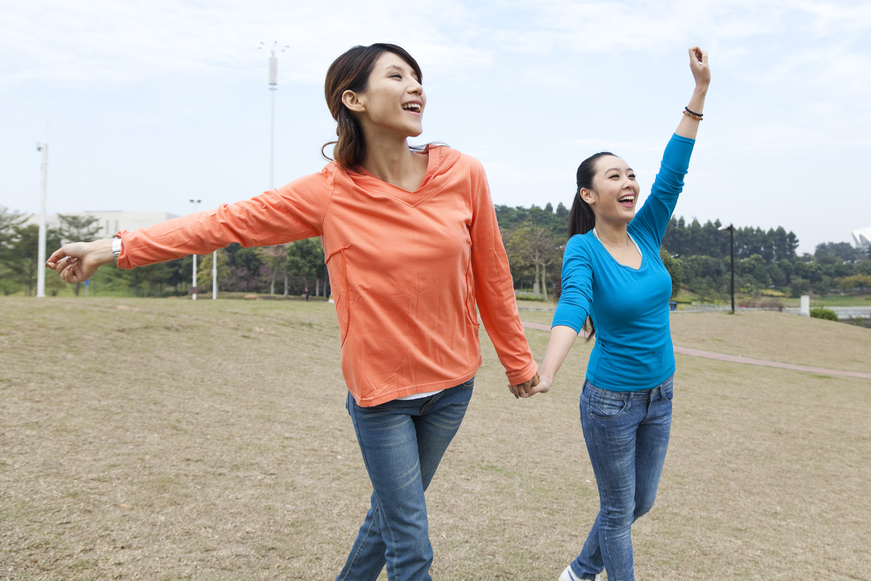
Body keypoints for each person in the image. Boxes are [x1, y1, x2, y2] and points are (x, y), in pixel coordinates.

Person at [47, 43, 540, 581]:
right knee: (411, 547)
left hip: (451, 387)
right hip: (382, 397)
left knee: (390, 521)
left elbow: (492, 274)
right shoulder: (329, 193)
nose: (415, 86)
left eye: (418, 77)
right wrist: (115, 248)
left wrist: (517, 362)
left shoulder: (463, 173)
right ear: (353, 99)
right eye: (397, 76)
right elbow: (223, 223)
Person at [529, 47, 710, 581]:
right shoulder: (583, 249)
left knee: (640, 504)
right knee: (617, 511)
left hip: (662, 393)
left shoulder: (647, 232)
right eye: (614, 176)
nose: (629, 182)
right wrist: (548, 371)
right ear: (588, 194)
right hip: (611, 402)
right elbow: (573, 304)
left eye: (631, 174)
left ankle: (580, 572)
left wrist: (698, 92)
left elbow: (673, 173)